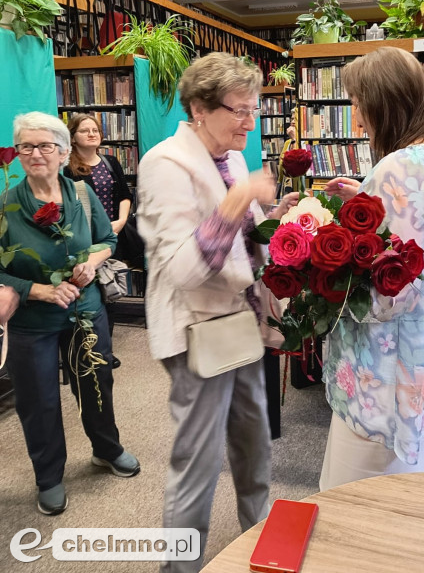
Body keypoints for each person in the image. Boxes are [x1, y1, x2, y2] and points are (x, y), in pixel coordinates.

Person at [137, 52, 299, 572]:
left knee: (254, 446)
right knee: (198, 463)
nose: (251, 122)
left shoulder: (226, 160)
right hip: (196, 334)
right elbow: (185, 268)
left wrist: (278, 216)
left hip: (238, 326)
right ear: (200, 109)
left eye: (255, 109)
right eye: (241, 110)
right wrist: (239, 201)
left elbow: (242, 242)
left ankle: (259, 544)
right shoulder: (165, 164)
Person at [319, 47, 424, 491]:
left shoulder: (400, 166)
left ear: (384, 100)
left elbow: (384, 294)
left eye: (359, 105)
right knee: (410, 488)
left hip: (382, 373)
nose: (358, 121)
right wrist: (366, 199)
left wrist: (325, 270)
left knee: (357, 500)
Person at [0, 112, 139, 517]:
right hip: (32, 322)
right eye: (26, 146)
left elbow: (108, 239)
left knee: (96, 382)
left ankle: (106, 449)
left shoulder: (80, 193)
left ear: (64, 152)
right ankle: (49, 477)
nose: (35, 153)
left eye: (45, 145)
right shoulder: (7, 206)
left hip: (85, 309)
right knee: (38, 399)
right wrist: (35, 289)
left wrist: (92, 262)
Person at [63, 113, 134, 369]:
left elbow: (125, 194)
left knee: (109, 289)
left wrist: (121, 221)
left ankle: (105, 348)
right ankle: (85, 348)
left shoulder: (110, 161)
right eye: (85, 130)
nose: (92, 134)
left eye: (95, 130)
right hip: (86, 240)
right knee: (87, 292)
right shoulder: (67, 169)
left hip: (113, 235)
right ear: (73, 137)